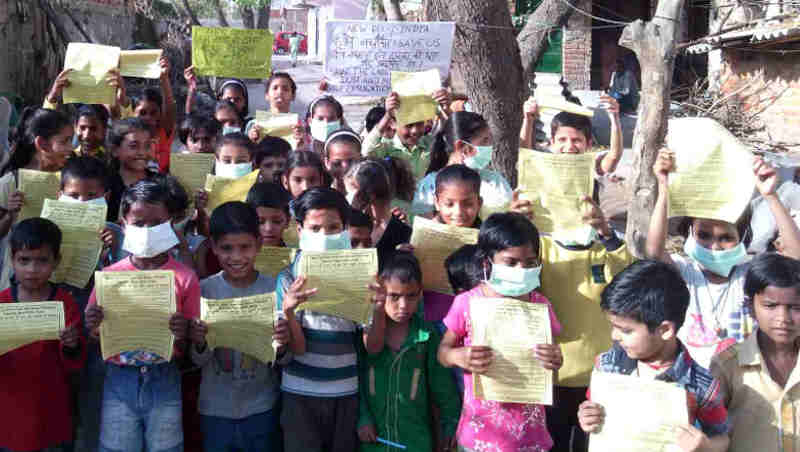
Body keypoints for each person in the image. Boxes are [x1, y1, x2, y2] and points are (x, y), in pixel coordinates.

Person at [647, 149, 800, 368]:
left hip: (743, 385)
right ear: (690, 233)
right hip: (695, 386)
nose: (714, 247)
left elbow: (795, 257)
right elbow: (654, 250)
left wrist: (770, 195)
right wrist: (663, 188)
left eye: (726, 238)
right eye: (704, 236)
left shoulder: (750, 275)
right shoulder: (684, 273)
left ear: (743, 238)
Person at [85, 179, 200, 452]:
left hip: (165, 377)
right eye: (138, 223)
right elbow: (93, 336)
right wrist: (92, 326)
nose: (147, 230)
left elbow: (194, 340)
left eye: (156, 223)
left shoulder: (185, 278)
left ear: (170, 223)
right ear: (124, 222)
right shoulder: (109, 277)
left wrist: (184, 331)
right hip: (118, 378)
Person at [438, 212, 564, 452]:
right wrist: (457, 356)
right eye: (511, 262)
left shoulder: (540, 305)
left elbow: (551, 366)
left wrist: (555, 361)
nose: (522, 269)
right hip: (480, 436)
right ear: (487, 262)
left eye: (530, 262)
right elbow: (442, 352)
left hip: (530, 437)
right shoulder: (468, 302)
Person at [578, 259, 730, 452]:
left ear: (665, 329)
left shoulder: (701, 385)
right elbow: (592, 410)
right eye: (613, 326)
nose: (614, 336)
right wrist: (587, 416)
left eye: (625, 330)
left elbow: (723, 438)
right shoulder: (606, 366)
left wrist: (706, 447)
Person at [189, 202, 289, 452]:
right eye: (226, 248)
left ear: (258, 244)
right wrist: (199, 341)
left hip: (263, 407)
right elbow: (197, 360)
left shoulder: (273, 289)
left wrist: (283, 341)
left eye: (245, 247)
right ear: (213, 247)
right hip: (215, 410)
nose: (236, 257)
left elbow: (284, 360)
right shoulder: (205, 291)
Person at [275, 187, 361, 452]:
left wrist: (377, 306)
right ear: (299, 230)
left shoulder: (359, 272)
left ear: (346, 229)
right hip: (300, 392)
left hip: (346, 390)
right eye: (315, 228)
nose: (325, 236)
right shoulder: (288, 278)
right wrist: (289, 311)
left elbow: (370, 341)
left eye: (334, 228)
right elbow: (297, 348)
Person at [358, 252, 461, 452]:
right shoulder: (366, 333)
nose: (403, 306)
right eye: (394, 297)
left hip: (415, 442)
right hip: (372, 442)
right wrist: (363, 417)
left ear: (420, 293)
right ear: (380, 293)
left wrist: (451, 426)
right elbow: (355, 381)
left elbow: (443, 388)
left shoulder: (427, 336)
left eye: (411, 296)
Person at [0, 218, 86, 452]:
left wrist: (71, 344)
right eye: (24, 260)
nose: (32, 270)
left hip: (52, 412)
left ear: (56, 262)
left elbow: (75, 364)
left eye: (42, 261)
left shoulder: (64, 302)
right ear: (12, 260)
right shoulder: (2, 302)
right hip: (8, 414)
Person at [711, 253, 800, 452]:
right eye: (770, 306)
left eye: (795, 307)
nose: (783, 318)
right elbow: (712, 433)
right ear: (751, 307)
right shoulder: (727, 365)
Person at [0, 107, 74, 291]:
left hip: (64, 278)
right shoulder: (11, 182)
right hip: (19, 283)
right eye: (64, 142)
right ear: (42, 144)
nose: (71, 148)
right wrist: (9, 215)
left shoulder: (72, 182)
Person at [411, 112, 513, 220]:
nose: (490, 146)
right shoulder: (430, 186)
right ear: (461, 146)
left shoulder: (495, 181)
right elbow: (425, 229)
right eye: (484, 140)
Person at [364, 90, 451, 181]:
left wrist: (445, 110)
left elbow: (453, 137)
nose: (415, 131)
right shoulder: (387, 147)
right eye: (408, 125)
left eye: (419, 124)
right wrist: (388, 115)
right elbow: (366, 152)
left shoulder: (428, 143)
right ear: (393, 123)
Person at [344, 159, 411, 267]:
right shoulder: (343, 226)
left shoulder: (402, 234)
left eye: (349, 192)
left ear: (367, 195)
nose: (347, 198)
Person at [120, 55, 176, 173]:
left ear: (161, 114)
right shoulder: (128, 132)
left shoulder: (163, 133)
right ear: (133, 114)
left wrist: (164, 78)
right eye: (142, 113)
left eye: (153, 113)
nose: (148, 118)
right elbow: (118, 105)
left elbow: (169, 107)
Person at [107, 118, 158, 223]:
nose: (142, 152)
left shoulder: (159, 183)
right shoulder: (106, 185)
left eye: (147, 146)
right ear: (115, 150)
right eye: (134, 146)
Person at [246, 182, 292, 248]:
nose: (269, 228)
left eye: (277, 221)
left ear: (287, 221)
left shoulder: (296, 256)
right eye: (260, 222)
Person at [323, 129, 361, 194]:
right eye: (337, 163)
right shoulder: (322, 195)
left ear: (361, 159)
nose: (345, 168)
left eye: (351, 162)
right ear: (327, 163)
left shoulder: (370, 194)